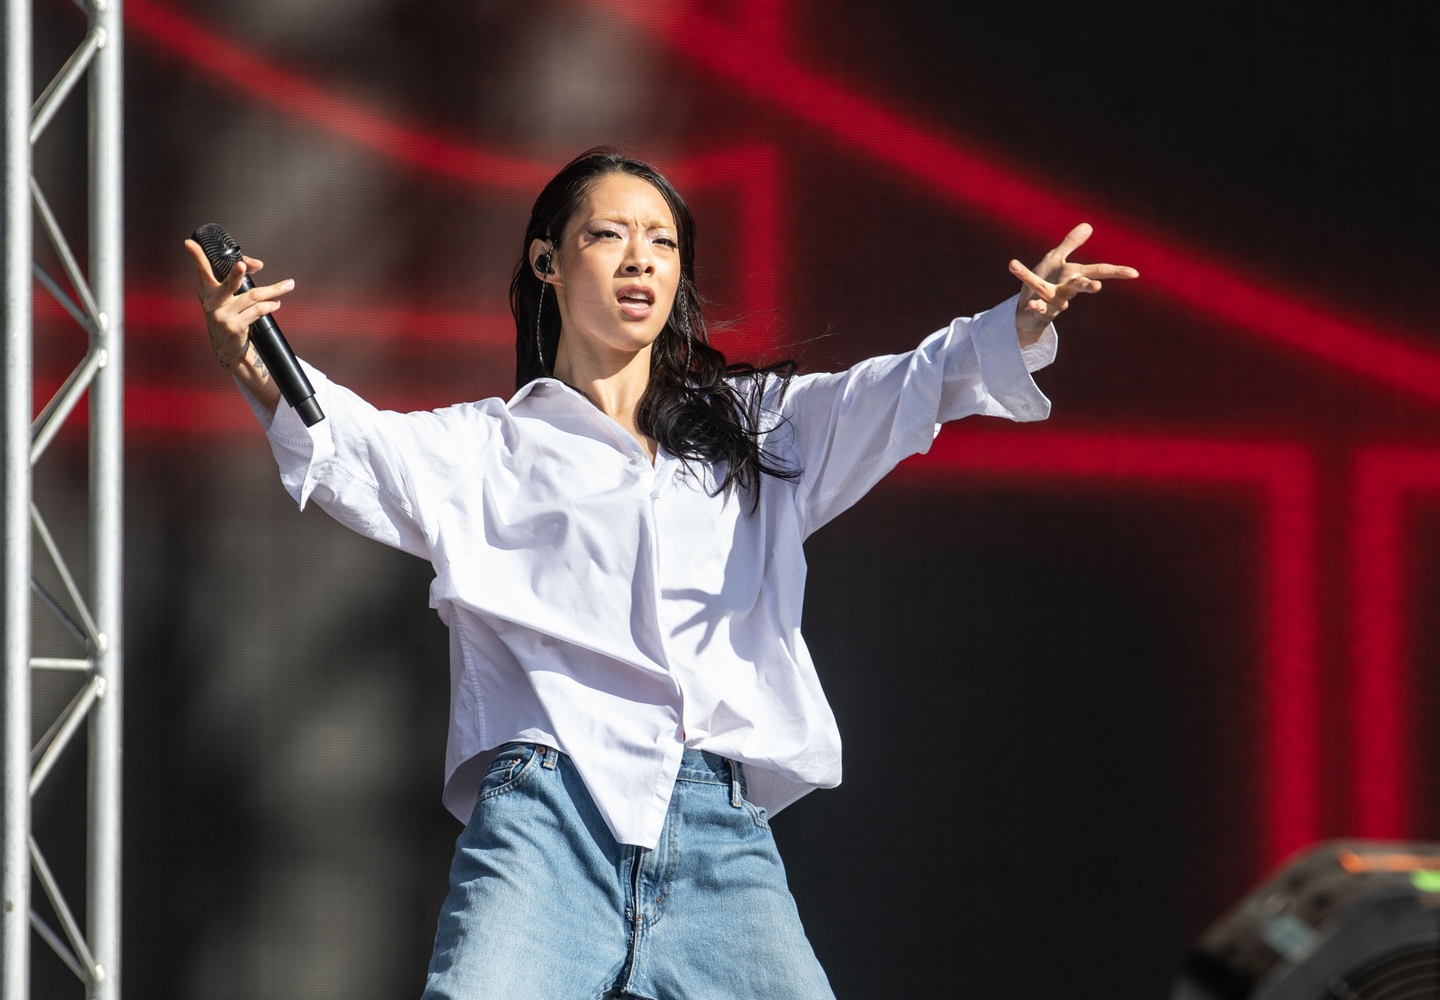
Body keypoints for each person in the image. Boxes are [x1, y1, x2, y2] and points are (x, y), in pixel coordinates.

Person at [186, 147, 1136, 1000]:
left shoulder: (758, 431)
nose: (641, 258)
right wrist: (252, 358)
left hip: (717, 838)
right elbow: (348, 443)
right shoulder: (485, 449)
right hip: (544, 826)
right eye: (608, 235)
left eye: (663, 242)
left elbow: (901, 389)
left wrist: (1014, 323)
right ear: (547, 262)